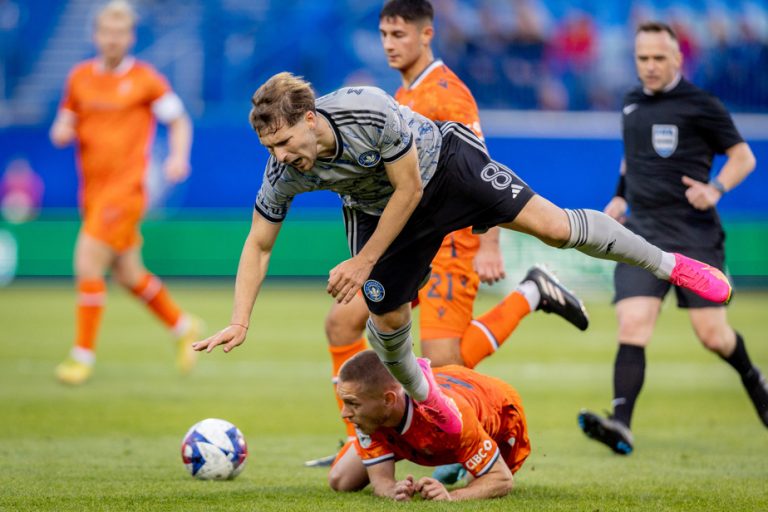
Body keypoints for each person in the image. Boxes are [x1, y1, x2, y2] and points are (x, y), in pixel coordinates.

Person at [193, 70, 732, 438]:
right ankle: (430, 401)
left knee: (554, 227)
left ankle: (672, 264)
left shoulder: (369, 109)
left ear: (310, 118)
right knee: (386, 316)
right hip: (380, 211)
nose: (281, 157)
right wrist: (240, 319)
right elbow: (259, 243)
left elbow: (408, 190)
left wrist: (362, 263)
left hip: (446, 167)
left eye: (285, 142)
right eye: (271, 149)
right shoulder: (283, 169)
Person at [316, 0, 588, 465]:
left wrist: (490, 239)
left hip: (450, 241)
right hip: (408, 242)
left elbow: (483, 173)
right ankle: (361, 442)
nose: (389, 44)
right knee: (341, 321)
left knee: (445, 365)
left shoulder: (447, 93)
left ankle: (529, 294)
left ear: (427, 35)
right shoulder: (400, 97)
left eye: (399, 35)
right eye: (384, 35)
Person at [577, 21, 765, 455]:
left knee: (713, 335)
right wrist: (620, 198)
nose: (650, 66)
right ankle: (621, 425)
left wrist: (715, 189)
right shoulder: (630, 103)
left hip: (693, 233)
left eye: (659, 58)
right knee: (633, 322)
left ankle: (755, 379)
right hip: (643, 232)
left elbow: (744, 156)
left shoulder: (701, 105)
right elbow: (631, 160)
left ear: (677, 59)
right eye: (643, 58)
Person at [50, 0, 200, 385]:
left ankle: (81, 355)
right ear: (96, 35)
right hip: (94, 192)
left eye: (120, 33)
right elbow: (65, 119)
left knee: (87, 260)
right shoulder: (80, 77)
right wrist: (62, 130)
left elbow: (179, 119)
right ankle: (182, 327)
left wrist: (178, 157)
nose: (113, 39)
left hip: (127, 189)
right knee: (129, 273)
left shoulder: (146, 80)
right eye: (106, 32)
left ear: (130, 37)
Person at [328, 350, 529, 501]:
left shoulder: (451, 418)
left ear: (388, 400)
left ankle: (461, 457)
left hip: (499, 411)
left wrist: (452, 497)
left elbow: (502, 480)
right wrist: (392, 490)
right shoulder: (371, 411)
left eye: (352, 403)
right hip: (421, 414)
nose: (344, 414)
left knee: (476, 481)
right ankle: (459, 456)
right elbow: (381, 480)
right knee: (340, 479)